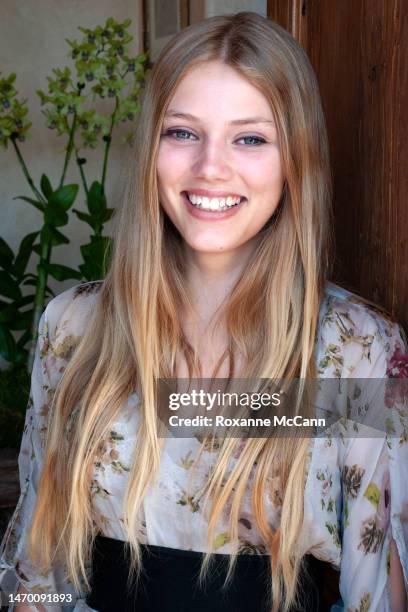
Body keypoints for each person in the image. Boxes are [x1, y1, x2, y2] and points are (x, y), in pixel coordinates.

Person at [1, 11, 407, 612]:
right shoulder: (73, 327)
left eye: (250, 137)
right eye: (183, 132)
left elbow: (378, 593)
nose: (210, 167)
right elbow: (32, 578)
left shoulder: (355, 349)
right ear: (151, 151)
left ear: (296, 159)